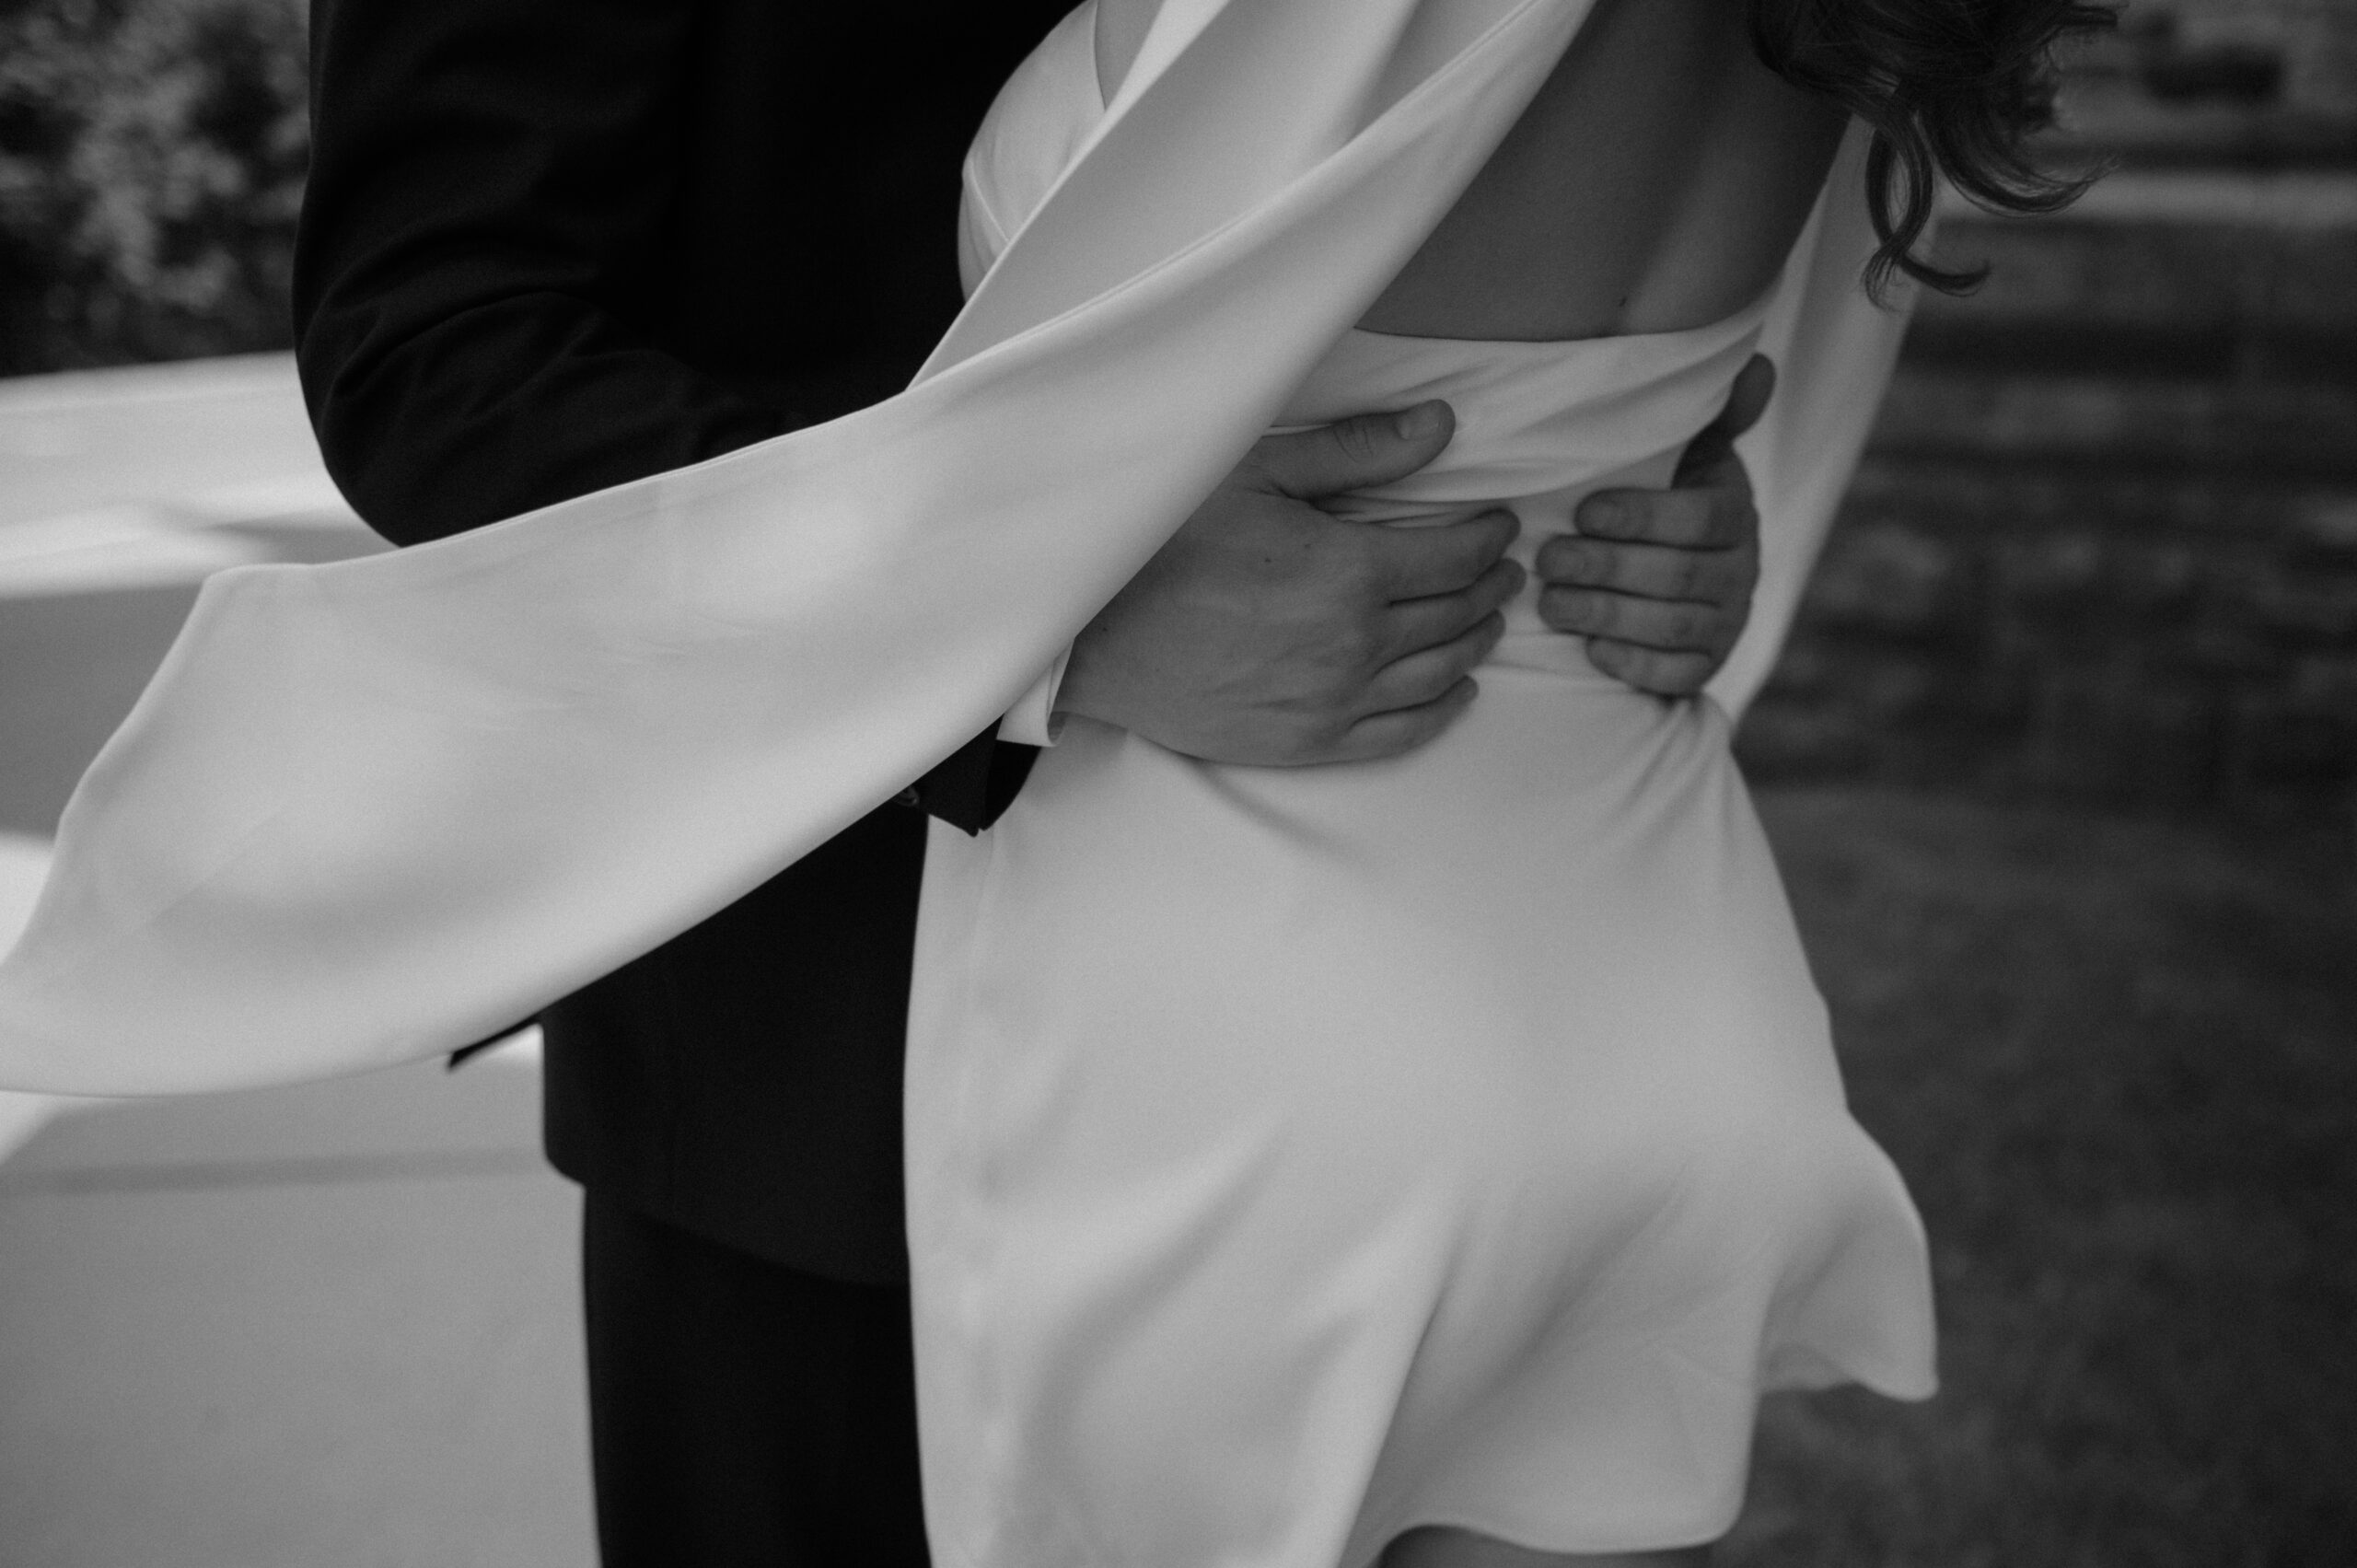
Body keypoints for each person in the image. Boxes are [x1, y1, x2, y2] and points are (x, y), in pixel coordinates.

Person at [284, 1, 1771, 1562]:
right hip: (837, 1063)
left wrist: (1610, 496)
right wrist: (1043, 614)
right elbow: (437, 349)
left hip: (1502, 983)